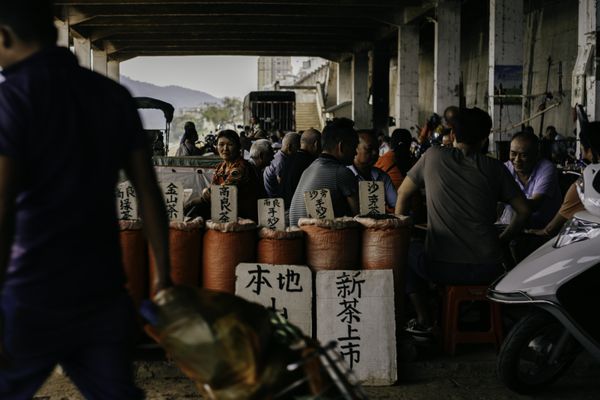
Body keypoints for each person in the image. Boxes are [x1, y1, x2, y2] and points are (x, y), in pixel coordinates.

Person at [0, 2, 172, 398]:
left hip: (31, 293)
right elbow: (148, 193)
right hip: (102, 293)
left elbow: (3, 207)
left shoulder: (11, 99)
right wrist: (163, 275)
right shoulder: (112, 96)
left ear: (5, 36)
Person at [396, 107, 529, 335]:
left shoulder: (432, 157)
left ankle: (424, 320)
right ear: (484, 138)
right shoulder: (495, 168)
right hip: (489, 268)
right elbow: (524, 211)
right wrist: (503, 239)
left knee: (404, 252)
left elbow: (403, 193)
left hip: (442, 268)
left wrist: (402, 231)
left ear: (454, 134)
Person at [529, 121, 600, 237]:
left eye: (582, 149)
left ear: (590, 151)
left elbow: (551, 228)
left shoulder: (583, 186)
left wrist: (538, 232)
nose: (583, 156)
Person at [288, 119, 359, 226]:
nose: (355, 152)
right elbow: (359, 216)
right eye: (354, 147)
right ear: (342, 147)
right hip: (320, 239)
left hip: (298, 235)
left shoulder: (310, 168)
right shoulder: (342, 173)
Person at [499, 131, 562, 229]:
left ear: (537, 155)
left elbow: (533, 205)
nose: (516, 160)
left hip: (542, 229)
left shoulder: (547, 169)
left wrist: (503, 198)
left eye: (524, 155)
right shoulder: (505, 168)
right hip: (510, 226)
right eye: (513, 153)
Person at [211, 129, 260, 221]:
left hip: (243, 219)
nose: (225, 148)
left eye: (230, 144)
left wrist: (197, 200)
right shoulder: (220, 167)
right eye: (221, 144)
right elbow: (213, 188)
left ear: (238, 147)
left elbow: (222, 192)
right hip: (225, 212)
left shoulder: (241, 167)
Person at [348, 130, 397, 211]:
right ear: (355, 149)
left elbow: (395, 203)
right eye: (369, 149)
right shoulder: (344, 175)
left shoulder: (382, 176)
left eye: (376, 149)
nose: (375, 153)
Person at [282, 128, 321, 208]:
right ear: (316, 144)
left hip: (284, 207)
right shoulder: (312, 163)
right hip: (300, 209)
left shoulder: (288, 159)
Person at [264, 132, 300, 200]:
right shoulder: (282, 162)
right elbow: (284, 188)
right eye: (297, 147)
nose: (298, 150)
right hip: (276, 200)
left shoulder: (279, 156)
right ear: (289, 147)